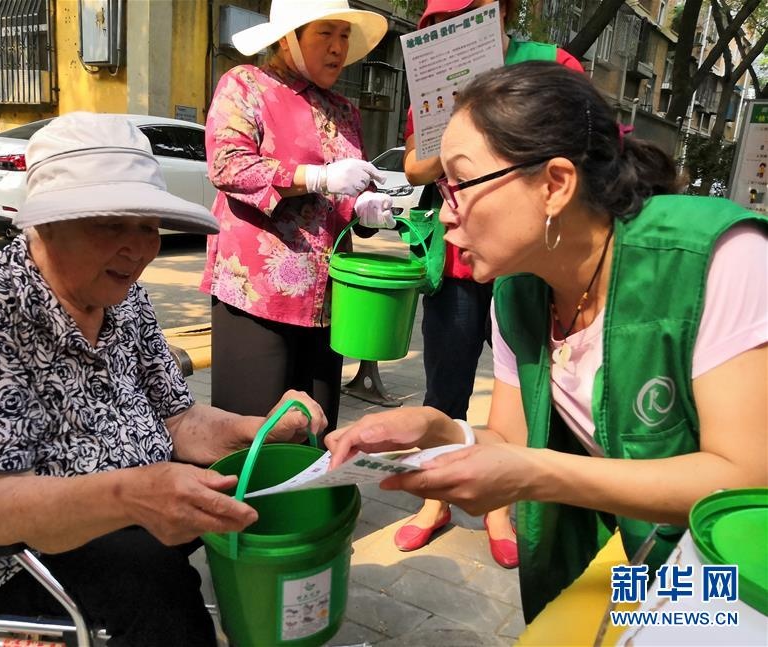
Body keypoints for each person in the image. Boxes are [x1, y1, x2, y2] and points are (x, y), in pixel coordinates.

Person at [327, 62, 767, 623]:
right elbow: (512, 439)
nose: (447, 217)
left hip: (740, 578)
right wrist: (439, 431)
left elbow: (747, 479)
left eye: (459, 185)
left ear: (554, 184)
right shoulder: (518, 293)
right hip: (648, 559)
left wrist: (536, 473)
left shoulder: (719, 258)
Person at [0, 112, 327, 647]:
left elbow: (178, 419)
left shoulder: (122, 295)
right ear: (44, 224)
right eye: (110, 224)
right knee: (151, 577)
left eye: (148, 226)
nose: (138, 249)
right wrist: (131, 495)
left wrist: (260, 430)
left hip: (114, 499)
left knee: (254, 494)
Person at [393, 0, 583, 561]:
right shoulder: (432, 81)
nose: (452, 29)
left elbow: (580, 155)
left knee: (521, 385)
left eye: (467, 13)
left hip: (530, 262)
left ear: (500, 12)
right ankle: (436, 498)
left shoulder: (550, 66)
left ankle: (501, 503)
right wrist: (453, 129)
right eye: (439, 22)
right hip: (460, 264)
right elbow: (414, 167)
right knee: (445, 380)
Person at [201, 0, 393, 434]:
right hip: (257, 295)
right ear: (289, 39)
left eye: (344, 36)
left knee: (316, 433)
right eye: (325, 33)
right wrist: (315, 176)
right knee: (251, 431)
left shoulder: (344, 111)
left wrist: (364, 208)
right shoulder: (246, 86)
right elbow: (228, 165)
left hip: (327, 300)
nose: (338, 48)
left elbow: (345, 195)